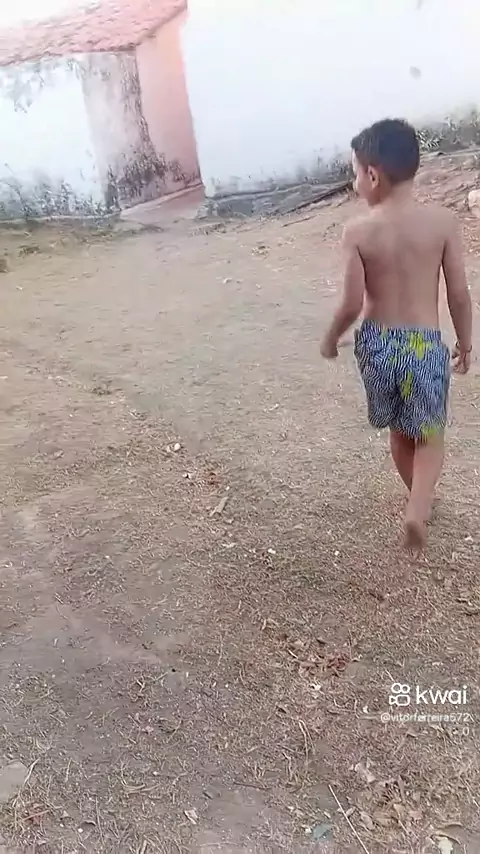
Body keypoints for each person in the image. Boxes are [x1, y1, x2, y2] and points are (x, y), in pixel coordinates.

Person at [320, 118, 472, 549]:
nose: (354, 183)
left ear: (372, 174)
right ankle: (418, 509)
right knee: (430, 435)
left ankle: (416, 497)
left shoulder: (357, 231)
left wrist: (331, 338)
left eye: (354, 173)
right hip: (423, 348)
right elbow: (459, 294)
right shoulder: (442, 223)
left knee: (400, 431)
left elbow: (351, 304)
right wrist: (465, 342)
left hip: (377, 346)